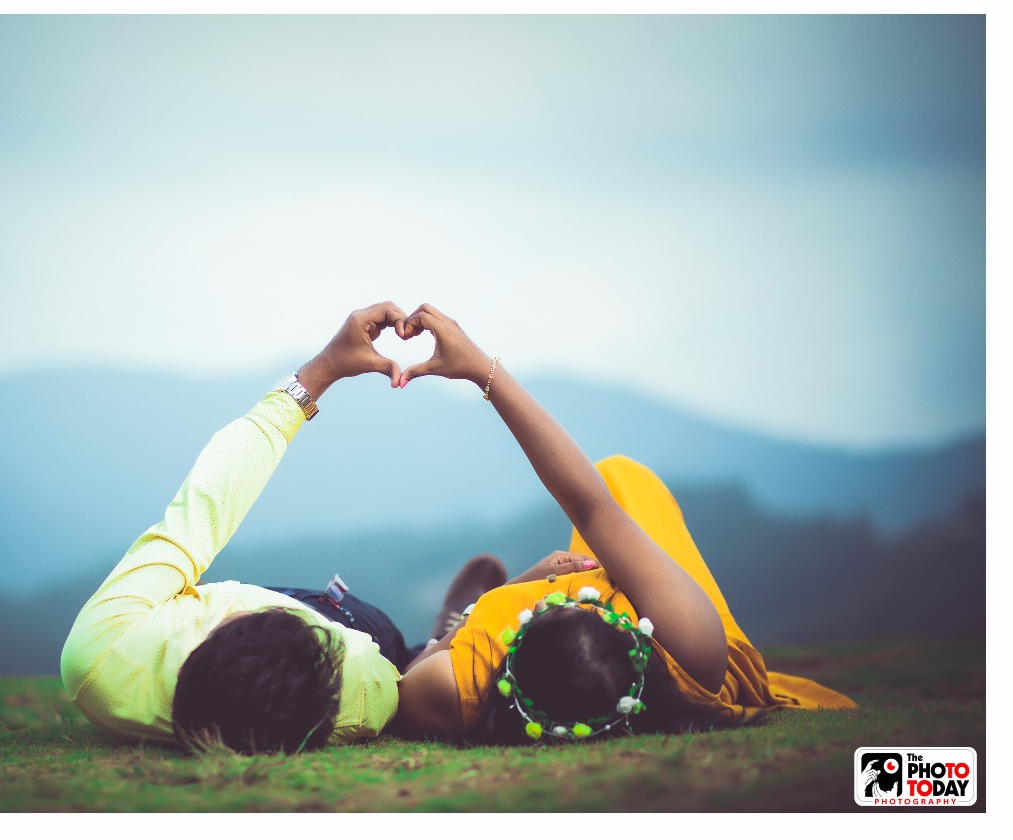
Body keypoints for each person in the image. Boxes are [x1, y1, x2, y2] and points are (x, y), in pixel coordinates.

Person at [389, 304, 857, 743]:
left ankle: (459, 614)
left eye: (552, 602)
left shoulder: (451, 691)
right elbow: (592, 505)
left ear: (509, 650)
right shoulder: (694, 651)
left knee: (609, 497)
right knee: (620, 474)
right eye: (596, 605)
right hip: (683, 636)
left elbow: (410, 678)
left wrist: (498, 599)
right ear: (635, 642)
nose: (576, 587)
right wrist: (483, 370)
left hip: (502, 643)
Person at [61, 302, 454, 754]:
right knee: (405, 654)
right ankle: (445, 626)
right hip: (357, 629)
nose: (255, 607)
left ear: (200, 650)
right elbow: (401, 688)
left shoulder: (101, 653)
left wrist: (322, 370)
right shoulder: (358, 690)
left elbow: (209, 501)